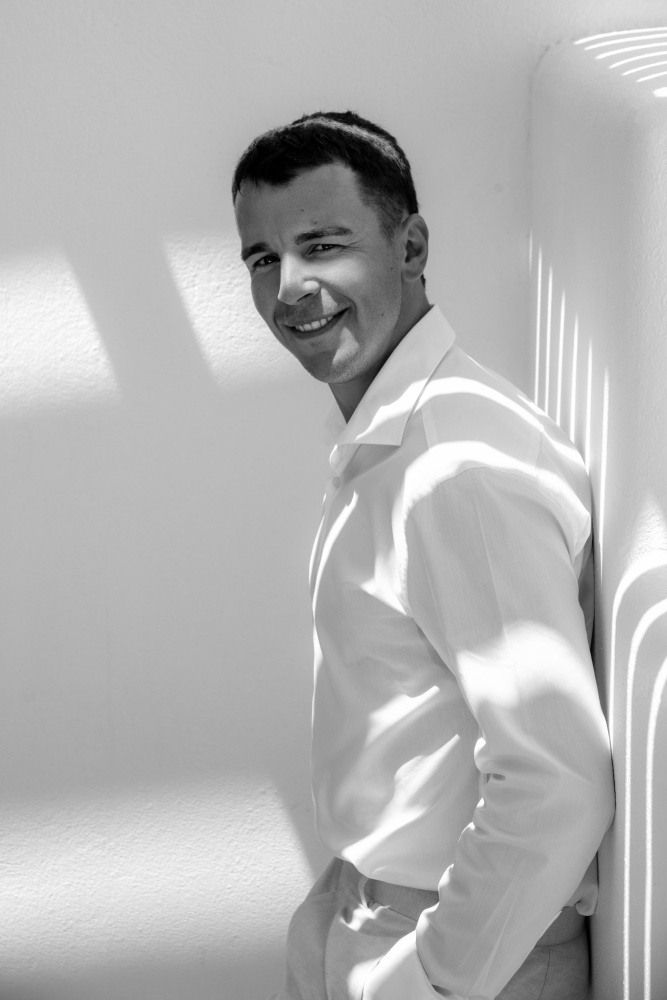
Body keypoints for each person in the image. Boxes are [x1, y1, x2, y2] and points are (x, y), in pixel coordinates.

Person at [232, 111, 615, 1000]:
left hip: (459, 958)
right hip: (367, 917)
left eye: (322, 245)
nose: (289, 287)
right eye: (261, 257)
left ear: (410, 246)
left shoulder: (453, 470)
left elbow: (555, 779)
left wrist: (429, 980)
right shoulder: (399, 444)